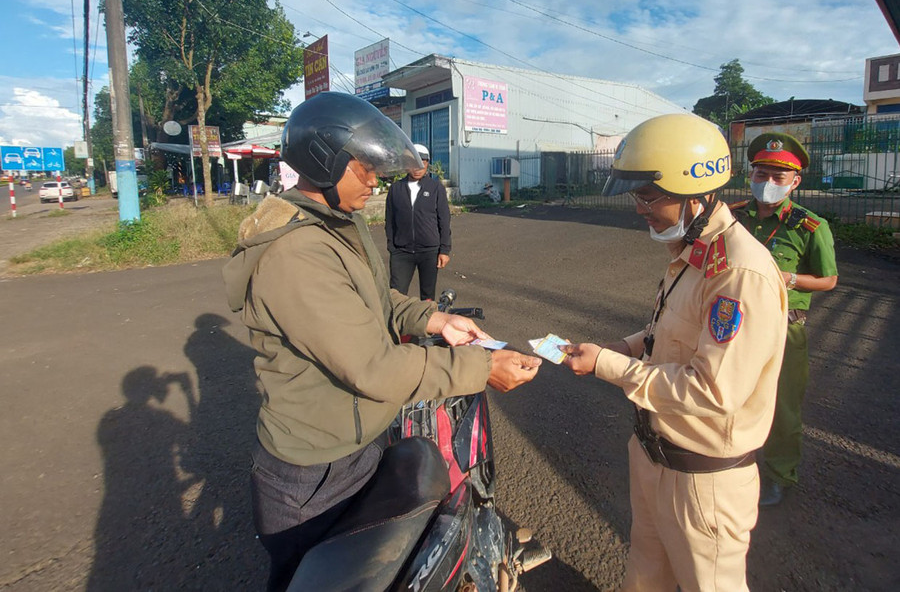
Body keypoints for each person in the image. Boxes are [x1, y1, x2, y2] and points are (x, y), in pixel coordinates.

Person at [222, 92, 541, 592]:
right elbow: (374, 367)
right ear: (324, 163)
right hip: (314, 472)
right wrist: (481, 368)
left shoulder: (336, 225)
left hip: (354, 445)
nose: (375, 179)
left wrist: (437, 321)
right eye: (364, 167)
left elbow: (378, 299)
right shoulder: (297, 253)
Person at [559, 114, 788, 591]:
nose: (639, 209)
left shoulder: (739, 275)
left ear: (697, 195)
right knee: (645, 575)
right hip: (653, 455)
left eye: (647, 196)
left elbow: (710, 391)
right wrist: (621, 346)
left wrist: (607, 364)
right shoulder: (693, 252)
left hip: (702, 483)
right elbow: (666, 330)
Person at [731, 132, 838, 507]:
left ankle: (778, 475)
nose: (768, 183)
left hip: (783, 328)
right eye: (761, 174)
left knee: (782, 406)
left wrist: (787, 278)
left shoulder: (810, 226)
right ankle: (733, 463)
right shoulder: (733, 217)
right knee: (729, 395)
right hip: (732, 324)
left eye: (778, 177)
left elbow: (828, 279)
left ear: (795, 182)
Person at [385, 143, 451, 300]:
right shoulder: (396, 189)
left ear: (427, 163)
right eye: (414, 162)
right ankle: (395, 324)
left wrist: (444, 250)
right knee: (396, 295)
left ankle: (425, 323)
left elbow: (444, 219)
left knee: (427, 297)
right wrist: (392, 247)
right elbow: (390, 220)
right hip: (402, 252)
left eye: (423, 162)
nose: (418, 167)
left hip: (429, 251)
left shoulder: (436, 188)